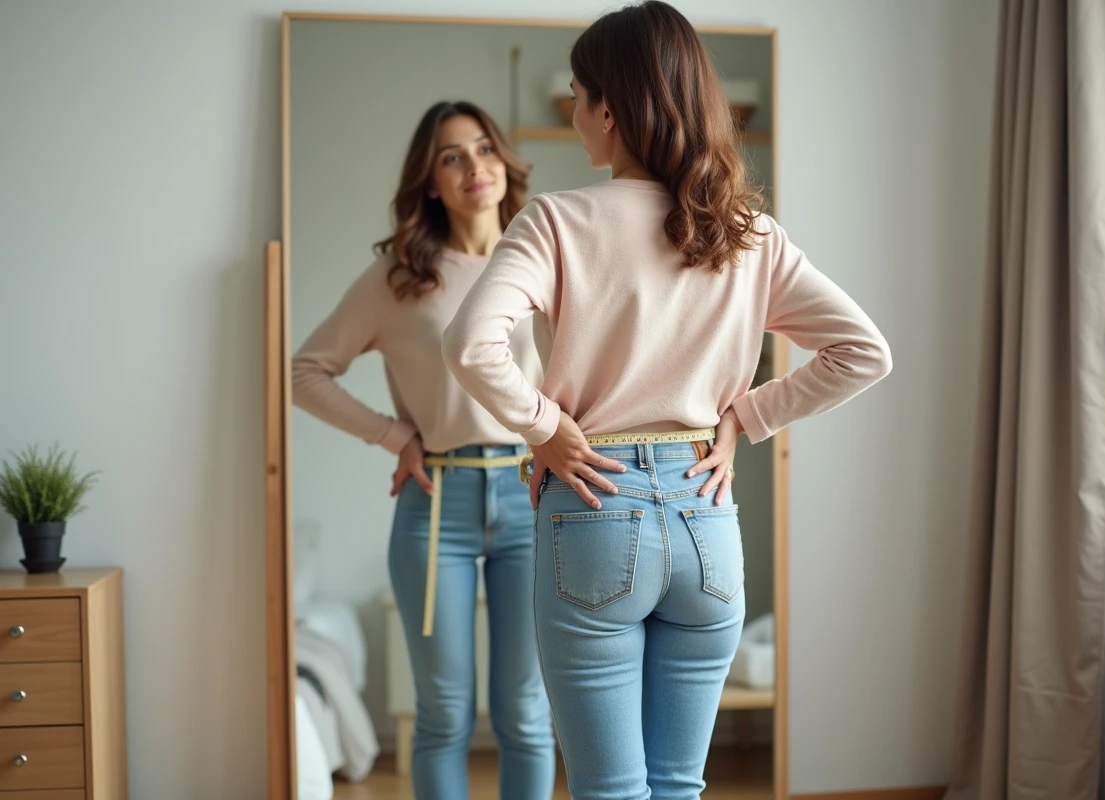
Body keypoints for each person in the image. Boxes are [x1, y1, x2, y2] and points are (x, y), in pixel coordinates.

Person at [442, 3, 893, 798]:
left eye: (581, 96)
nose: (579, 115)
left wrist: (545, 428)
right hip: (707, 518)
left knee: (610, 789)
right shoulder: (747, 233)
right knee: (679, 786)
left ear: (608, 109)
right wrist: (746, 418)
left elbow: (471, 345)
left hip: (592, 503)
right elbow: (864, 353)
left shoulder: (556, 219)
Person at [292, 100, 555, 800]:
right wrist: (392, 433)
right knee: (442, 716)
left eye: (485, 148)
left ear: (504, 160)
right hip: (435, 504)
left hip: (533, 495)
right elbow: (305, 371)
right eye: (452, 155)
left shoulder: (545, 255)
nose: (475, 166)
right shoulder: (400, 278)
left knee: (527, 713)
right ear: (430, 181)